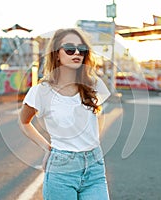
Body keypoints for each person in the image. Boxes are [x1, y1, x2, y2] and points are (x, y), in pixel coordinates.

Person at [18, 28, 111, 200]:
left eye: (81, 49)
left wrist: (89, 140)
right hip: (62, 169)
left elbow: (96, 116)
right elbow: (24, 121)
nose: (77, 53)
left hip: (94, 166)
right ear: (56, 54)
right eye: (69, 48)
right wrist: (47, 148)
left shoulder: (93, 85)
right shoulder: (41, 92)